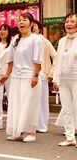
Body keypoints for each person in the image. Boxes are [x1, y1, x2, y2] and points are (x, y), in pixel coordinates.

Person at [0, 13, 43, 142]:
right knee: (17, 104)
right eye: (19, 20)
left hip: (29, 77)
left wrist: (35, 76)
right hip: (16, 77)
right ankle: (17, 131)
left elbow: (37, 61)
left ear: (31, 23)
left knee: (29, 105)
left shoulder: (36, 39)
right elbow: (10, 60)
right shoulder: (15, 39)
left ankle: (31, 133)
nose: (21, 22)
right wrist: (6, 75)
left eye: (24, 20)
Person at [53, 13, 77, 147]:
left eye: (72, 21)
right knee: (67, 109)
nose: (69, 24)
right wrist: (56, 79)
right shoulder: (62, 41)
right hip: (64, 79)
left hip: (76, 78)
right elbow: (58, 61)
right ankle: (70, 137)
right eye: (67, 21)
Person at [32, 19, 57, 133]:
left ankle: (42, 125)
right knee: (31, 100)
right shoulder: (26, 41)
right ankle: (32, 124)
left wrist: (51, 73)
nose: (33, 27)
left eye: (35, 26)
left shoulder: (45, 41)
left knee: (42, 101)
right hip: (29, 74)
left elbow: (56, 56)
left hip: (42, 74)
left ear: (39, 28)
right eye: (31, 25)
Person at [0, 24, 12, 130]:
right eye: (0, 30)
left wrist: (8, 73)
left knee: (11, 98)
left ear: (9, 32)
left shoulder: (12, 45)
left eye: (4, 30)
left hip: (9, 74)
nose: (2, 32)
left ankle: (11, 121)